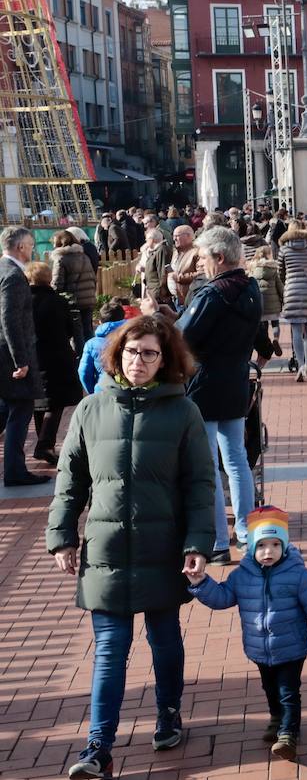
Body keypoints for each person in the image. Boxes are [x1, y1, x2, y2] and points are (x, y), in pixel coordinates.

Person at [47, 316, 215, 779]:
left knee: (164, 640)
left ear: (165, 361)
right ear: (116, 355)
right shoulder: (90, 411)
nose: (137, 360)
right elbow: (69, 483)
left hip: (163, 547)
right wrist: (61, 535)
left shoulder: (184, 413)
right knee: (109, 650)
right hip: (106, 549)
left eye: (149, 353)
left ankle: (169, 713)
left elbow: (201, 484)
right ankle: (98, 748)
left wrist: (199, 541)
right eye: (131, 351)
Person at [186, 505, 307, 762]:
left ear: (285, 546)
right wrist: (200, 583)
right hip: (259, 649)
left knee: (289, 691)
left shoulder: (298, 574)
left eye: (275, 545)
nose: (268, 551)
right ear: (252, 548)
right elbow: (222, 597)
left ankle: (288, 733)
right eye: (261, 545)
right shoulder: (241, 576)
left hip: (292, 647)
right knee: (270, 688)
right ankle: (277, 718)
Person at [147, 226, 263, 562]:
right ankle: (244, 531)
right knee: (237, 461)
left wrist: (166, 321)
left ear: (219, 257)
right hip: (235, 382)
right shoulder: (250, 287)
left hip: (205, 385)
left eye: (202, 258)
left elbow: (184, 336)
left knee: (207, 466)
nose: (199, 264)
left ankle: (216, 541)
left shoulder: (213, 294)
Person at [0, 226, 47, 486]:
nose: (33, 249)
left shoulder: (3, 270)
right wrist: (21, 361)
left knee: (7, 408)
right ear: (20, 246)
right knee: (20, 410)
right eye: (30, 244)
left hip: (5, 353)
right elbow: (10, 319)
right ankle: (15, 471)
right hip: (12, 355)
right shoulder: (14, 276)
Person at [26, 261, 82, 467]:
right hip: (57, 356)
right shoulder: (57, 301)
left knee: (39, 401)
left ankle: (44, 443)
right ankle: (45, 444)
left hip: (33, 355)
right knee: (56, 402)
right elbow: (70, 329)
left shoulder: (23, 301)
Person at [277, 223, 307, 383]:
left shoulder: (284, 249)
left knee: (296, 330)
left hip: (292, 290)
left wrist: (285, 286)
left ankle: (300, 366)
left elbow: (280, 272)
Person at [52, 229, 98, 342]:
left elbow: (57, 284)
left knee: (75, 333)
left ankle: (79, 356)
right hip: (88, 299)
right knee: (87, 329)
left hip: (73, 301)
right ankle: (90, 355)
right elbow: (92, 277)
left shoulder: (61, 259)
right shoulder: (84, 256)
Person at [79, 300, 127, 395]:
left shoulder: (91, 344)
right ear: (123, 318)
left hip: (103, 391)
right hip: (129, 392)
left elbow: (84, 372)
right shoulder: (133, 337)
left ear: (100, 321)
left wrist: (93, 392)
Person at [249, 244, 285, 368]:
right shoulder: (273, 269)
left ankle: (264, 348)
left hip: (260, 303)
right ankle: (276, 338)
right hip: (273, 302)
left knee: (262, 329)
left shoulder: (253, 270)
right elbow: (280, 286)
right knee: (275, 323)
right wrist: (283, 298)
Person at [168, 225, 201, 309]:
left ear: (189, 236)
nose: (174, 239)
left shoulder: (197, 252)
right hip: (177, 299)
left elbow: (202, 274)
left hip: (189, 300)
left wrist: (180, 277)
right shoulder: (176, 251)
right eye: (173, 236)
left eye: (177, 236)